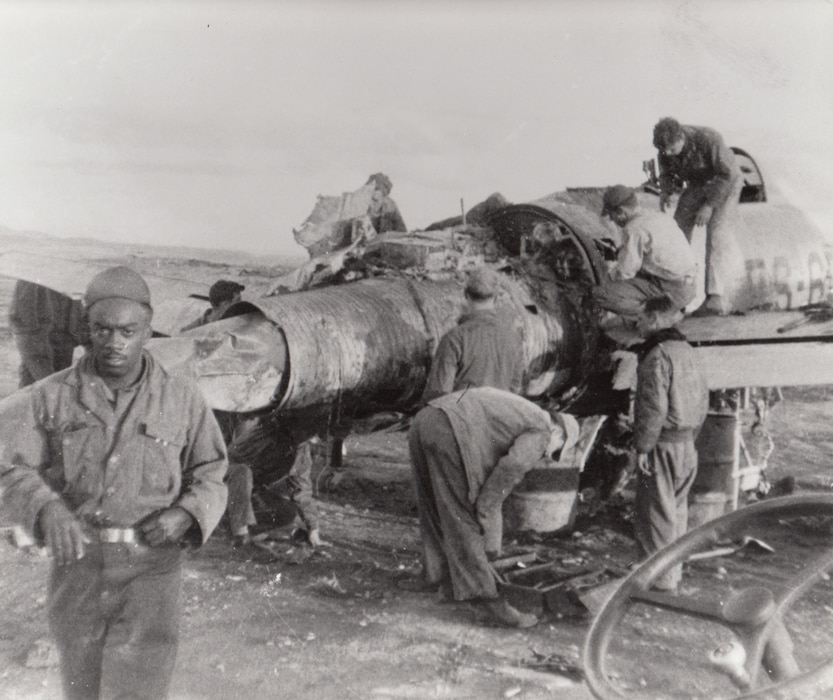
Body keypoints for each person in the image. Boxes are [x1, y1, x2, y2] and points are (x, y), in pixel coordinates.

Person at [0, 266, 228, 700]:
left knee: (140, 688)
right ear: (87, 328)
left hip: (152, 566)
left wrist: (186, 513)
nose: (115, 342)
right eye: (103, 330)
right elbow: (9, 465)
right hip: (79, 564)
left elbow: (212, 471)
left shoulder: (182, 398)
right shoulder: (51, 395)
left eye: (128, 330)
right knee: (81, 683)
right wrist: (47, 509)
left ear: (147, 328)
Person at [408, 386, 579, 628]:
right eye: (555, 451)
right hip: (450, 429)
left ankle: (436, 578)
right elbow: (511, 468)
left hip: (425, 419)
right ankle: (487, 603)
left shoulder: (521, 410)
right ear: (558, 433)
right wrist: (487, 507)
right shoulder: (541, 428)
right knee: (462, 516)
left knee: (434, 507)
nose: (547, 456)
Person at [631, 295, 709, 592]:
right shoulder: (687, 351)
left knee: (655, 515)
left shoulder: (657, 356)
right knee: (676, 513)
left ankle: (659, 583)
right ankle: (672, 575)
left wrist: (643, 447)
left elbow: (653, 407)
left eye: (640, 317)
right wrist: (690, 439)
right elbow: (703, 399)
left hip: (663, 444)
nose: (636, 323)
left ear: (654, 319)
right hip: (687, 444)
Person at [652, 117, 743, 316]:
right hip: (697, 183)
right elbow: (667, 175)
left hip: (725, 182)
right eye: (663, 151)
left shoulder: (708, 138)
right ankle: (677, 294)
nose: (667, 154)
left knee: (716, 233)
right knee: (677, 232)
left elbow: (726, 175)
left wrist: (709, 206)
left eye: (671, 149)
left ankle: (715, 298)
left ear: (681, 138)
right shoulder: (665, 149)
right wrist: (667, 192)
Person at [219, 409, 322, 548]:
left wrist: (313, 527)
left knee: (286, 511)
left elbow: (301, 490)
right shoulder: (264, 434)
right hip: (223, 486)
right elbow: (229, 463)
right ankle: (240, 533)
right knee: (242, 471)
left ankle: (244, 527)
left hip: (247, 495)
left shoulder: (301, 451)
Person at [421, 266, 524, 403]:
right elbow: (514, 390)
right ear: (496, 297)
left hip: (463, 420)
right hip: (500, 419)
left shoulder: (454, 339)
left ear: (466, 294)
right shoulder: (514, 338)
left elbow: (439, 394)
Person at [594, 185, 697, 318]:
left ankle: (657, 316)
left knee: (600, 295)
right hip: (689, 286)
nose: (612, 220)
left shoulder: (633, 228)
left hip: (671, 291)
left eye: (612, 215)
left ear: (621, 211)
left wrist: (609, 269)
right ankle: (669, 310)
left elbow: (625, 273)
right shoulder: (658, 216)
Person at [9, 280, 83, 388]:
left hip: (64, 339)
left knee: (55, 389)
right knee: (43, 389)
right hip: (40, 341)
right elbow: (22, 320)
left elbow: (76, 301)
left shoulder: (68, 271)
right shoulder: (33, 274)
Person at [180, 279, 245, 332]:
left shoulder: (239, 322)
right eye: (238, 300)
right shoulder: (191, 330)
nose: (241, 302)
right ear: (225, 304)